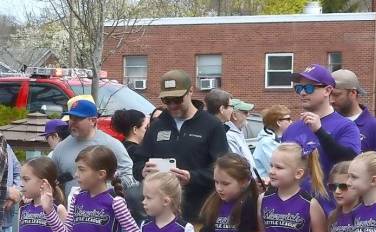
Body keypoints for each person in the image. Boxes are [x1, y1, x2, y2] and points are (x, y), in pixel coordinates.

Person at [133, 69, 229, 223]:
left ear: (190, 91)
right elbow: (138, 162)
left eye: (177, 99)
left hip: (198, 214)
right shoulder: (157, 126)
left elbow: (224, 169)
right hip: (161, 217)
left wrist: (192, 177)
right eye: (167, 100)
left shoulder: (211, 125)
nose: (172, 105)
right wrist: (142, 171)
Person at [282, 64, 360, 213]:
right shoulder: (292, 129)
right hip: (292, 213)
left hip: (329, 211)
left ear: (328, 90)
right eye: (299, 88)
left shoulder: (346, 126)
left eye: (309, 88)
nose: (303, 93)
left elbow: (350, 162)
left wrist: (319, 131)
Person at [51, 99, 137, 199]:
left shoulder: (111, 144)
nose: (72, 122)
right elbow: (53, 180)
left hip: (105, 210)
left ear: (93, 121)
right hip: (73, 211)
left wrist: (107, 189)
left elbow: (130, 175)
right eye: (71, 117)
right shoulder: (61, 148)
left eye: (77, 118)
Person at [330, 69, 376, 163]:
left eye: (336, 95)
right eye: (329, 95)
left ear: (353, 93)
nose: (331, 100)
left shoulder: (375, 128)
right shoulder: (325, 124)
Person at [254, 105, 292, 179]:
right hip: (268, 186)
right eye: (288, 119)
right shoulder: (267, 143)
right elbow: (278, 168)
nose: (291, 122)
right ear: (279, 122)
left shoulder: (276, 140)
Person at [226, 98, 256, 172]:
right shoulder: (229, 136)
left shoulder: (237, 132)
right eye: (245, 112)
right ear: (234, 115)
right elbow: (238, 166)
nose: (248, 114)